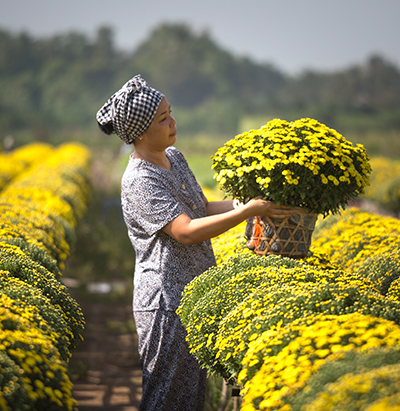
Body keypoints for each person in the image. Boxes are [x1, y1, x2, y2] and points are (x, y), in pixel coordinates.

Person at [96, 74, 293, 411]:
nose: (173, 122)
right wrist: (247, 212)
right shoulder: (140, 179)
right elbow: (186, 230)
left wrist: (244, 205)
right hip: (166, 302)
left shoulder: (176, 158)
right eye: (163, 119)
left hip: (191, 294)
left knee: (188, 397)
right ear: (140, 132)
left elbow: (200, 208)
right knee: (166, 397)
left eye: (171, 112)